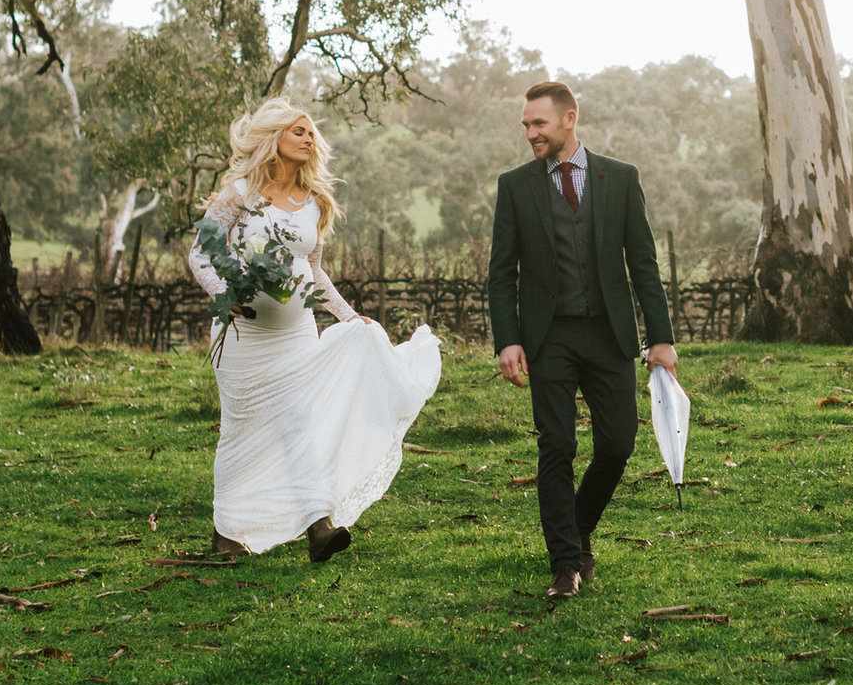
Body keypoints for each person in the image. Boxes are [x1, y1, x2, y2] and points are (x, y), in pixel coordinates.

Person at [187, 96, 442, 563]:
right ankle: (226, 534)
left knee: (300, 426)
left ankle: (318, 525)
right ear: (274, 138)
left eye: (311, 133)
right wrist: (226, 294)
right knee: (241, 429)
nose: (308, 139)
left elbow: (315, 271)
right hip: (243, 337)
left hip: (296, 333)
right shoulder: (239, 194)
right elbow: (200, 255)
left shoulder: (314, 202)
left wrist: (348, 317)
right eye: (298, 131)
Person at [486, 80, 676, 601]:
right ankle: (565, 564)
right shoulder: (516, 186)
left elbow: (642, 263)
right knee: (558, 445)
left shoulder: (620, 178)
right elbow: (501, 272)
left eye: (538, 123)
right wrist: (508, 340)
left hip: (609, 334)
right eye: (526, 125)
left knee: (617, 444)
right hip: (548, 338)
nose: (530, 133)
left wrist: (660, 338)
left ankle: (577, 524)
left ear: (570, 119)